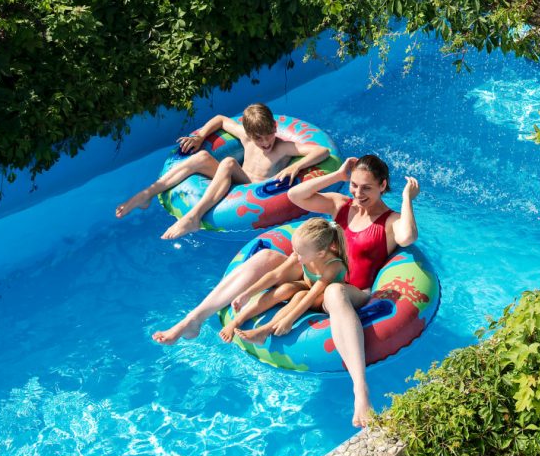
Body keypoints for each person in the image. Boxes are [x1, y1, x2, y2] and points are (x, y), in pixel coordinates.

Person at [152, 154, 419, 429]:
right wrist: (339, 177)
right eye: (354, 185)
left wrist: (407, 199)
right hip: (315, 272)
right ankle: (193, 320)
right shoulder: (341, 204)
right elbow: (296, 195)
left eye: (367, 188)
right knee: (266, 258)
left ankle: (360, 390)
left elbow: (407, 237)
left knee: (334, 292)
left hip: (349, 288)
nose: (358, 193)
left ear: (383, 185)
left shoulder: (389, 221)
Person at [115, 103, 330, 240]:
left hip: (259, 191)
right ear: (249, 133)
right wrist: (200, 136)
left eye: (269, 135)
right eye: (259, 138)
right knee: (201, 157)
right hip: (239, 182)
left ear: (275, 127)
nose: (265, 142)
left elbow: (321, 151)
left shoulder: (282, 147)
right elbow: (220, 119)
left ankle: (194, 216)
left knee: (227, 163)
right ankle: (146, 194)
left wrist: (295, 166)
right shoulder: (246, 138)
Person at [219, 216, 348, 344]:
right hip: (307, 286)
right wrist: (248, 293)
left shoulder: (333, 266)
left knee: (300, 295)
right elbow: (275, 275)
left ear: (320, 254)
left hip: (324, 297)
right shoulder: (300, 255)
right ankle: (236, 322)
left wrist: (290, 319)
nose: (295, 254)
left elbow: (312, 295)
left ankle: (264, 331)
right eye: (294, 250)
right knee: (285, 289)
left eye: (299, 253)